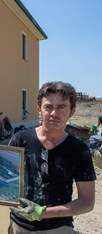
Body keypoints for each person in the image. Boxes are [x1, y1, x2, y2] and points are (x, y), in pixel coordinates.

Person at [8, 81, 96, 234]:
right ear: (39, 110)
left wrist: (43, 213)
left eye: (61, 107)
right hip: (18, 226)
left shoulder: (79, 149)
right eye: (48, 107)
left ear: (72, 111)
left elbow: (87, 201)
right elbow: (5, 178)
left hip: (58, 228)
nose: (54, 113)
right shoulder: (20, 140)